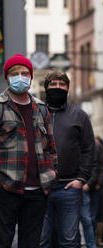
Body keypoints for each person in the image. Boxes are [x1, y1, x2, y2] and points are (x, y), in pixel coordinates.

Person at [0, 54, 57, 247]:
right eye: (14, 73)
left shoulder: (41, 109)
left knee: (32, 243)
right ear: (7, 77)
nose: (20, 77)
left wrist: (51, 173)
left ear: (31, 77)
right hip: (6, 188)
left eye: (25, 73)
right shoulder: (0, 107)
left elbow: (51, 147)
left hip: (37, 190)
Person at [40, 71, 95, 247]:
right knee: (41, 240)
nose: (57, 88)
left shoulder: (79, 115)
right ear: (46, 88)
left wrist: (81, 179)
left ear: (68, 88)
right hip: (40, 188)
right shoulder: (37, 113)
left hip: (69, 187)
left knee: (69, 241)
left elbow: (88, 149)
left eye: (62, 85)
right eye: (53, 84)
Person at [80, 137, 103, 248]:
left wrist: (98, 183)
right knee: (90, 216)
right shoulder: (84, 144)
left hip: (94, 186)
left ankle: (95, 240)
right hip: (87, 184)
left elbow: (100, 167)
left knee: (93, 216)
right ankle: (92, 240)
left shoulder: (96, 146)